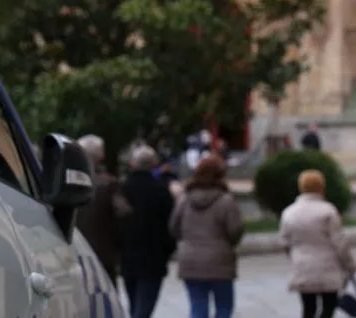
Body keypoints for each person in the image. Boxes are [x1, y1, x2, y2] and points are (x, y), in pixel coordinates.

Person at [169, 155, 244, 318]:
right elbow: (235, 231)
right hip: (220, 261)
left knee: (197, 307)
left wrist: (187, 240)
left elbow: (174, 227)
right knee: (224, 307)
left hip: (191, 260)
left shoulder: (184, 200)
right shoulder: (226, 201)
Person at [279, 170, 356, 318]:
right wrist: (350, 265)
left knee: (308, 308)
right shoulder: (328, 211)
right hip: (328, 267)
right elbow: (339, 242)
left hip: (302, 266)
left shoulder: (289, 212)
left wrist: (295, 256)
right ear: (321, 186)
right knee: (328, 307)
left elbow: (284, 241)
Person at [119, 144, 176, 318]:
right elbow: (170, 225)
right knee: (144, 309)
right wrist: (168, 250)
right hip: (154, 258)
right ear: (154, 164)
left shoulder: (123, 189)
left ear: (132, 164)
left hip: (127, 256)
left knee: (134, 304)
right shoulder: (161, 190)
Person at [74, 134, 123, 284]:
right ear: (101, 155)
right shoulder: (109, 184)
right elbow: (123, 215)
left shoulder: (67, 182)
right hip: (103, 254)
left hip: (74, 254)